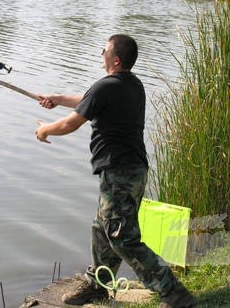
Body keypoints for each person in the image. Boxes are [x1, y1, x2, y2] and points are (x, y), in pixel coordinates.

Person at [35, 34, 195, 308]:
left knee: (122, 235)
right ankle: (97, 285)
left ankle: (173, 292)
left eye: (104, 51)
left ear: (115, 59)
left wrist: (44, 130)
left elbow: (71, 124)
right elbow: (89, 102)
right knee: (102, 229)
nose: (101, 54)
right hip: (129, 170)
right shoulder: (131, 84)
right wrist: (58, 99)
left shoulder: (106, 87)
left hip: (121, 171)